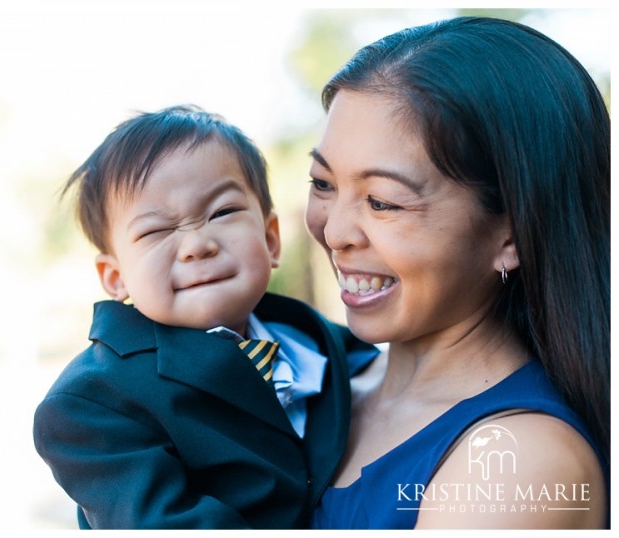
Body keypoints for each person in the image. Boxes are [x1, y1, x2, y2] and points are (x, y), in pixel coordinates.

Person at [304, 16, 609, 529]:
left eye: (381, 202)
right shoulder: (321, 377)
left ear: (510, 235)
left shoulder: (518, 466)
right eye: (323, 183)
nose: (335, 232)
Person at [33, 105, 377, 529]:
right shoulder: (93, 404)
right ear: (116, 276)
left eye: (222, 213)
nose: (197, 244)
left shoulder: (308, 335)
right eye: (156, 231)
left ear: (270, 239)